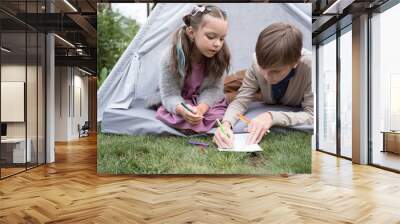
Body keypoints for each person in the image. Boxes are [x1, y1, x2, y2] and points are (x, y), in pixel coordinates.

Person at [213, 22, 313, 148]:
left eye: (275, 71)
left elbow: (312, 114)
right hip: (252, 80)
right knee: (222, 87)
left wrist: (271, 116)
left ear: (295, 62)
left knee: (225, 97)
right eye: (262, 67)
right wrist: (225, 125)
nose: (266, 76)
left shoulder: (311, 67)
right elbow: (241, 101)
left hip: (266, 95)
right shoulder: (257, 65)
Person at [156, 5, 230, 134]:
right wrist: (183, 109)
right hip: (180, 100)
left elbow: (214, 89)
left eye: (222, 38)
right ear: (191, 33)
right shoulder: (170, 57)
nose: (218, 44)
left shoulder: (220, 56)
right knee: (174, 115)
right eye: (211, 37)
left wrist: (201, 108)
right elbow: (170, 94)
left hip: (203, 100)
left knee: (216, 114)